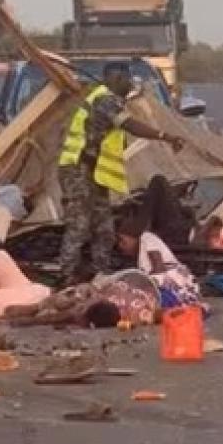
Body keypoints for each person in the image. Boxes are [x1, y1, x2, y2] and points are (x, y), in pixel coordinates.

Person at [57, 62, 185, 286]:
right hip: (77, 169)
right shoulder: (105, 99)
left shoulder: (109, 99)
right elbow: (131, 126)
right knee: (80, 225)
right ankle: (65, 275)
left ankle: (101, 273)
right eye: (126, 79)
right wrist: (166, 136)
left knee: (104, 227)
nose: (129, 84)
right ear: (114, 78)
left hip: (94, 172)